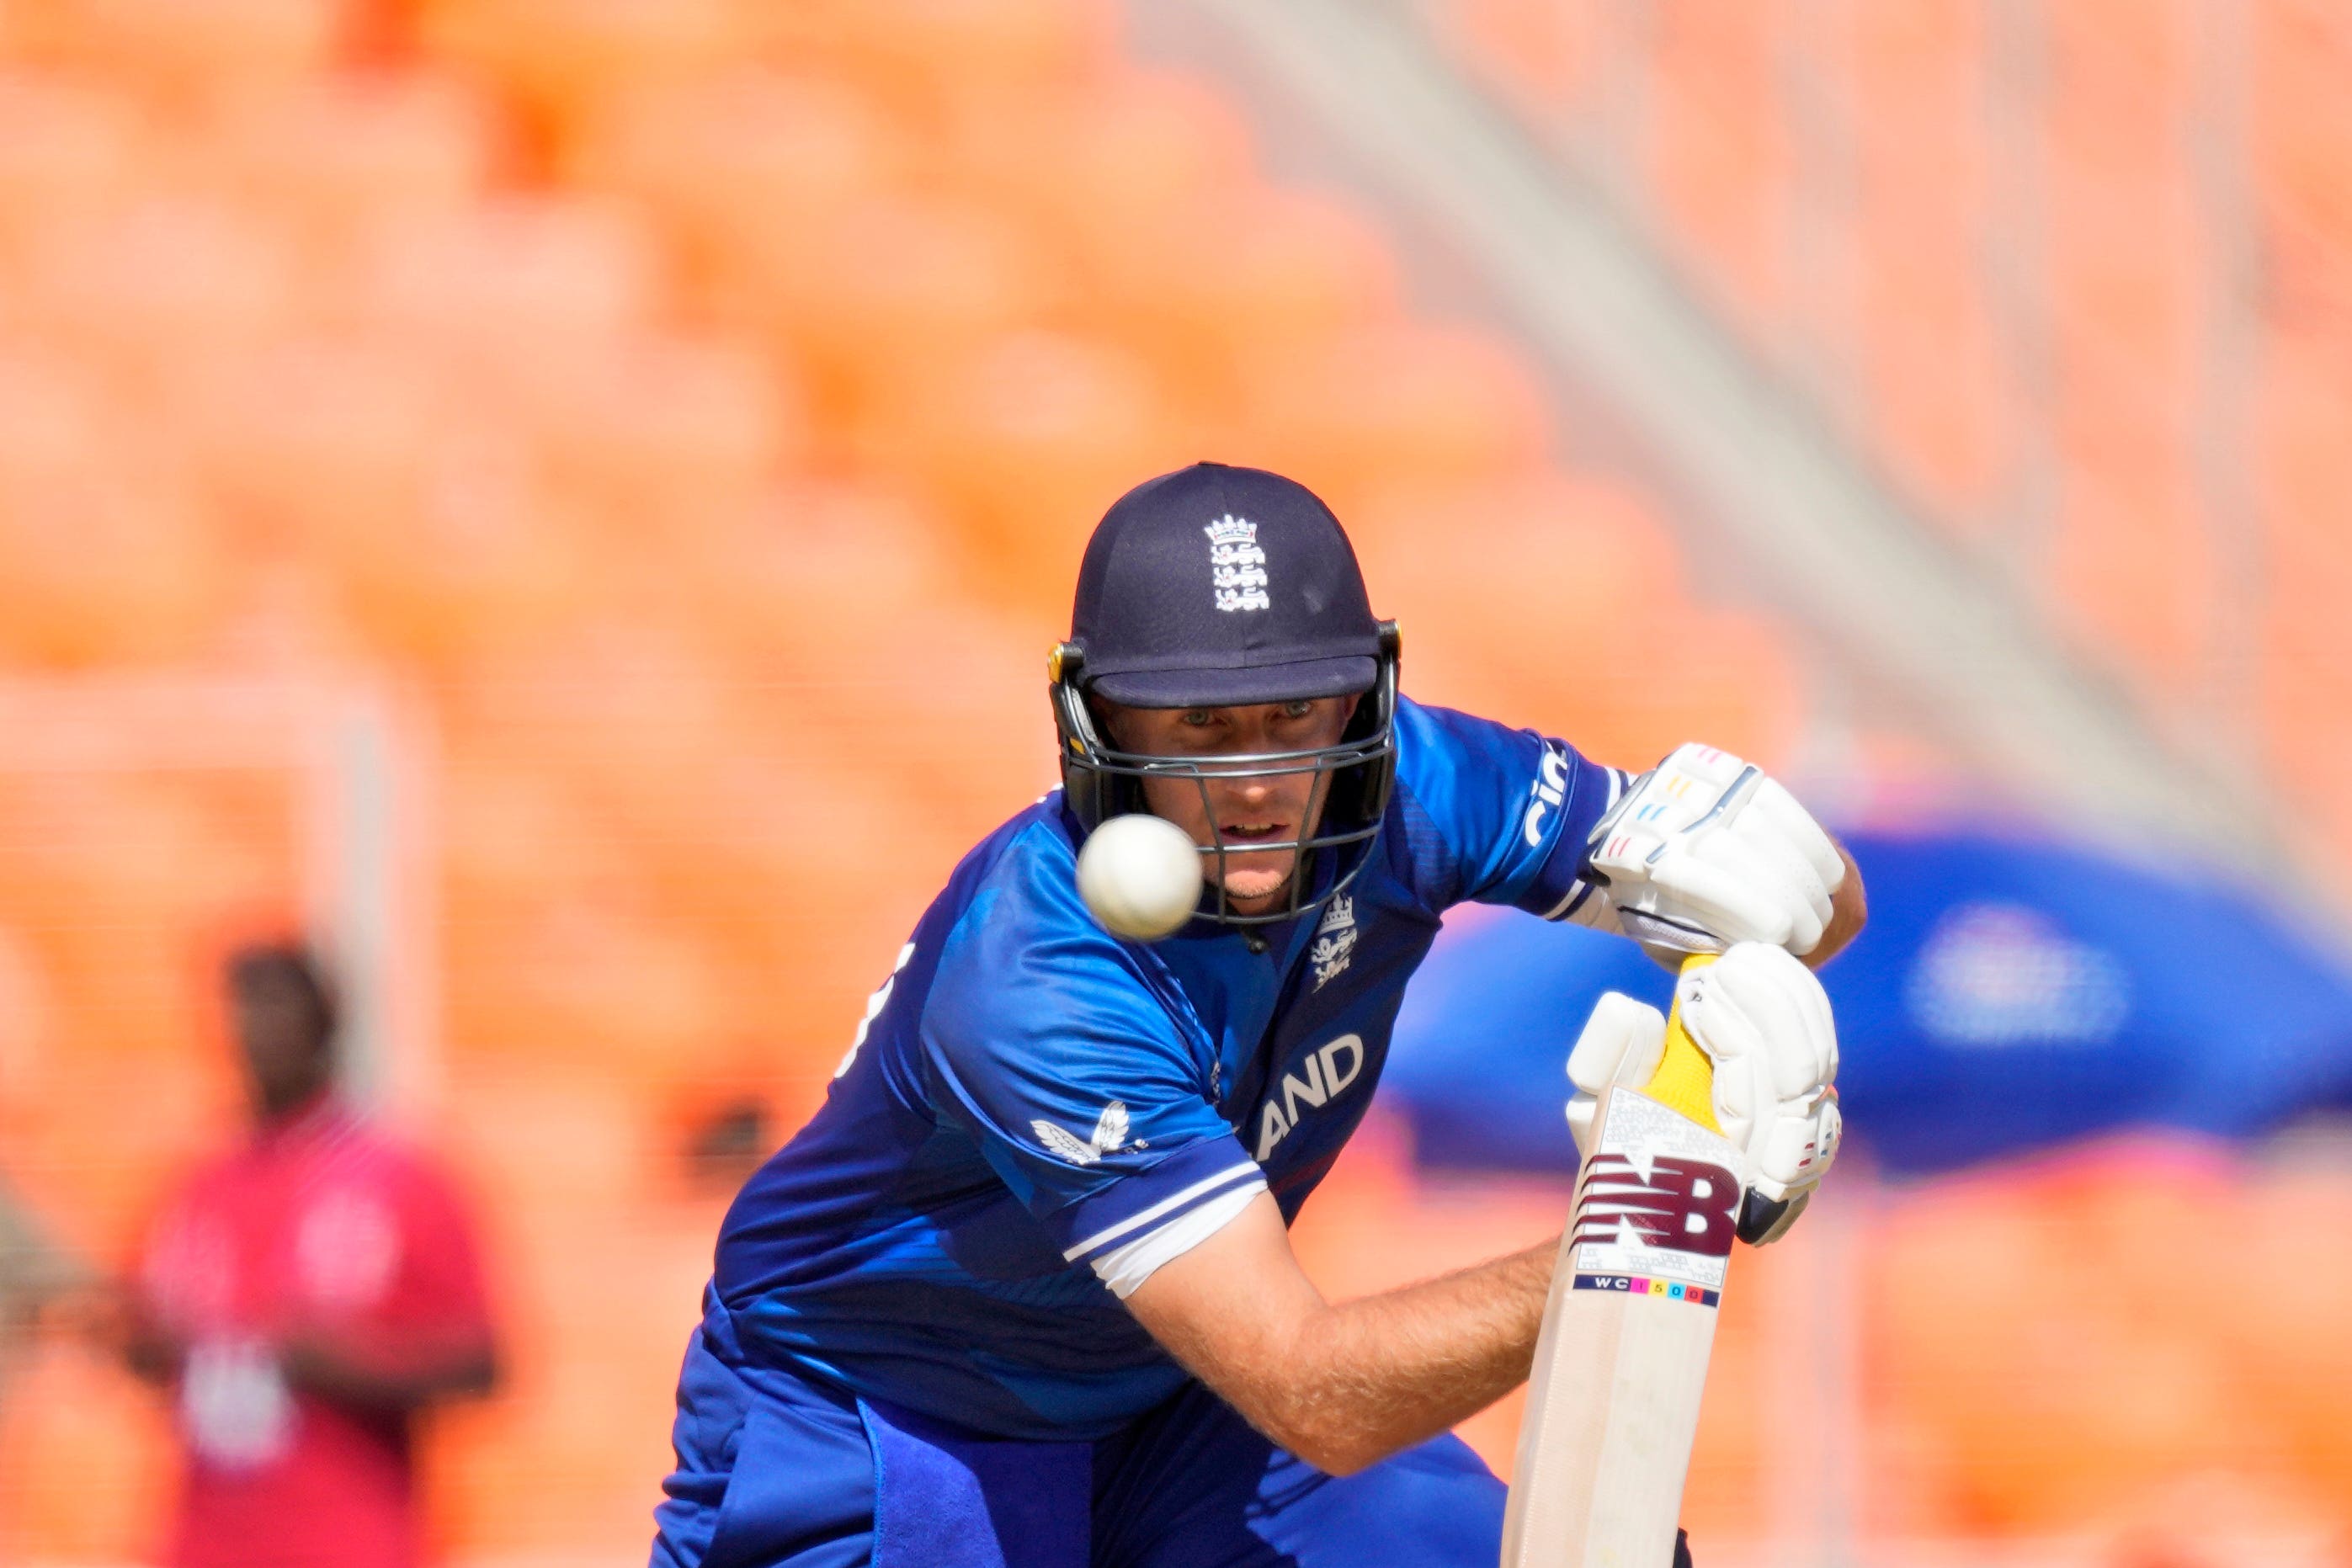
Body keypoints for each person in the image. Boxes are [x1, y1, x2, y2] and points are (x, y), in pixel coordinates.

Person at [651, 463, 1865, 1568]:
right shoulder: (1038, 975)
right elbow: (1312, 1389)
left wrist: (1765, 891)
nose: (1259, 782)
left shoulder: (1417, 783)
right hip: (885, 1428)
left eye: (1294, 713)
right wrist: (1649, 1220)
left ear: (1360, 697)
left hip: (1169, 1398)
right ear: (1101, 725)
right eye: (1201, 727)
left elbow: (1816, 908)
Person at [125, 943, 499, 1568]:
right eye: (241, 1011)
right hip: (207, 1538)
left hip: (351, 1537)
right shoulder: (198, 1185)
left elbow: (484, 1362)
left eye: (274, 1010)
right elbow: (144, 1336)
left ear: (323, 1025)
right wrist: (146, 1346)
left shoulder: (400, 1180)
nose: (254, 1032)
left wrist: (360, 1368)